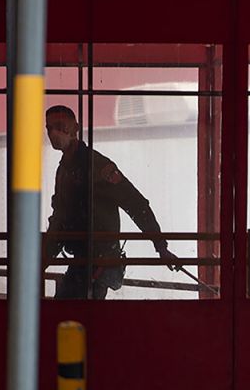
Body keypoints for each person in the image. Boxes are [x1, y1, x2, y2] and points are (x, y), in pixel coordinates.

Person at [43, 105, 180, 299]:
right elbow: (59, 218)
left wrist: (161, 247)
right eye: (49, 128)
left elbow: (135, 204)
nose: (53, 133)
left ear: (75, 129)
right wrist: (43, 259)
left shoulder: (97, 166)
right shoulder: (64, 170)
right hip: (83, 261)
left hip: (99, 262)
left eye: (60, 126)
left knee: (75, 317)